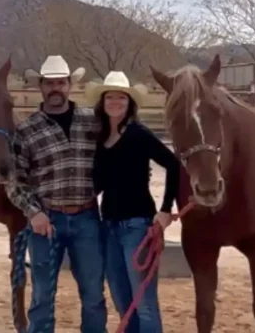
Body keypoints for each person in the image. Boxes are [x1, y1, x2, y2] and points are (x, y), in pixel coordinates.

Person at [5, 55, 107, 333]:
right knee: (42, 296)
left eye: (60, 82)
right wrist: (33, 212)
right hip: (46, 220)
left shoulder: (93, 122)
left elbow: (117, 155)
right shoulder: (27, 130)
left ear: (69, 85)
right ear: (40, 86)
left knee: (94, 294)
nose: (55, 88)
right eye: (49, 83)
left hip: (86, 216)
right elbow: (15, 181)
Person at [85, 71, 181, 333]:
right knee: (122, 300)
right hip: (110, 226)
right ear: (102, 102)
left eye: (121, 98)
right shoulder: (102, 138)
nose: (115, 102)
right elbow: (101, 182)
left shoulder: (139, 134)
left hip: (137, 226)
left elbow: (173, 165)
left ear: (129, 103)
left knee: (144, 303)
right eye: (110, 97)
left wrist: (165, 210)